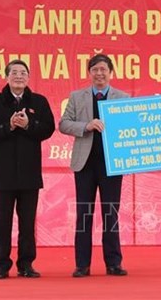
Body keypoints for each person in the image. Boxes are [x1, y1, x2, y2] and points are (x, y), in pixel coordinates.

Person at [0, 59, 55, 279]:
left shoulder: (39, 102)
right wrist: (9, 126)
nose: (19, 76)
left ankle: (26, 264)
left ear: (28, 77)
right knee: (2, 222)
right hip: (3, 174)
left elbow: (48, 128)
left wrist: (29, 125)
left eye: (23, 73)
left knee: (27, 222)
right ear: (7, 77)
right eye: (14, 73)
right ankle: (2, 264)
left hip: (30, 173)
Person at [59, 54, 130, 277]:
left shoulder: (123, 97)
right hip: (85, 164)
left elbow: (131, 128)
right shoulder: (77, 97)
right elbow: (63, 124)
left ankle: (113, 263)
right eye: (95, 70)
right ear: (89, 73)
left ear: (111, 72)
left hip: (112, 164)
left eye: (103, 70)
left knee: (111, 213)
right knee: (84, 213)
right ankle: (82, 264)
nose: (99, 74)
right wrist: (86, 126)